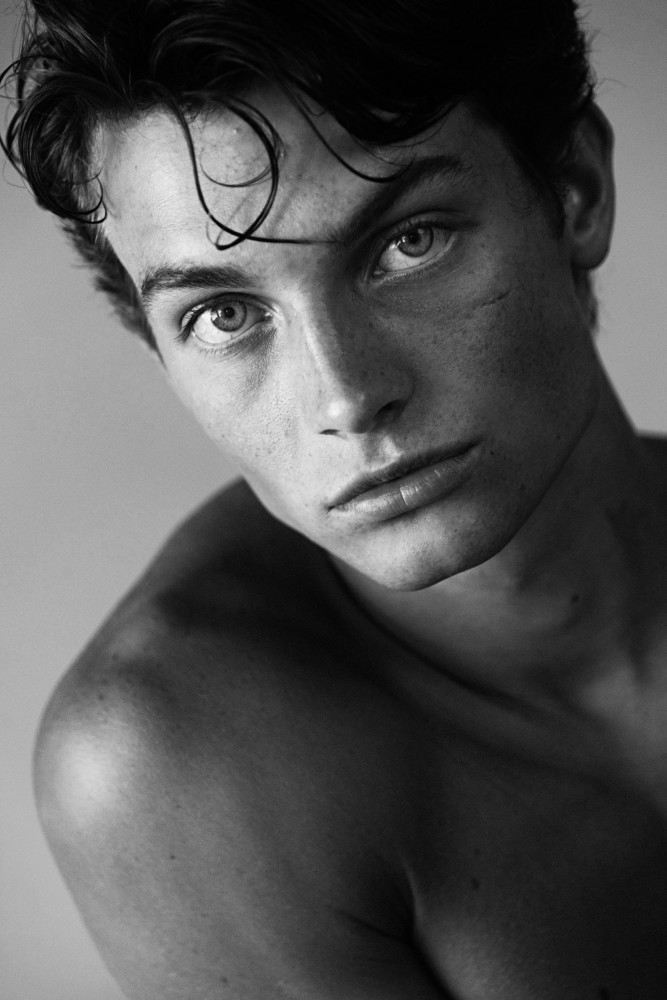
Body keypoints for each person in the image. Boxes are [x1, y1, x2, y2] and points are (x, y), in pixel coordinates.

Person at [3, 1, 667, 996]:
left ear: (574, 190)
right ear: (154, 343)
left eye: (409, 243)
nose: (346, 399)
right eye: (224, 313)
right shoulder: (176, 758)